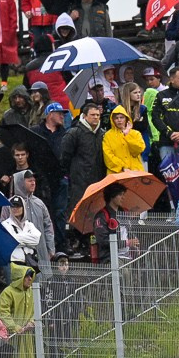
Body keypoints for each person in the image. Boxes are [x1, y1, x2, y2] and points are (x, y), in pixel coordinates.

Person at [58, 102, 106, 252]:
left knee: (95, 212)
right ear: (84, 116)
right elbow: (64, 158)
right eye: (93, 115)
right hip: (78, 181)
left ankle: (91, 243)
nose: (96, 118)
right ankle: (76, 241)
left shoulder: (102, 134)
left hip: (97, 180)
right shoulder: (74, 133)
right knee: (78, 212)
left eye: (98, 115)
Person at [102, 106, 145, 174]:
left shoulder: (135, 133)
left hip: (135, 172)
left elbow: (138, 150)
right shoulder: (108, 136)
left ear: (126, 119)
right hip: (116, 174)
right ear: (112, 120)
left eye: (121, 117)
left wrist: (127, 135)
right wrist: (122, 167)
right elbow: (108, 156)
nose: (119, 120)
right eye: (116, 118)